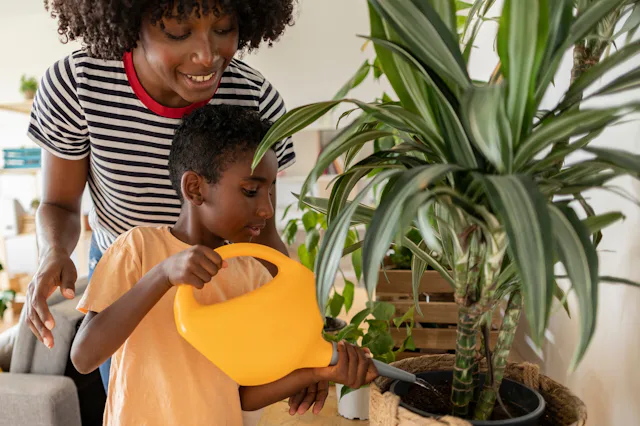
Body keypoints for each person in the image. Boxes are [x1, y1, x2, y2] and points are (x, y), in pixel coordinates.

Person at [25, 0, 326, 414]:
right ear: (129, 23)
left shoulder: (254, 98)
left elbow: (265, 230)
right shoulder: (78, 82)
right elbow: (59, 203)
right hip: (124, 281)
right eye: (178, 33)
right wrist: (53, 252)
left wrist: (298, 341)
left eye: (223, 28)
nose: (206, 55)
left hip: (221, 279)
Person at [69, 104, 378, 425]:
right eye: (250, 190)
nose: (266, 209)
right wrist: (162, 275)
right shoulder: (138, 248)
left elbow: (242, 391)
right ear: (195, 188)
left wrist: (315, 373)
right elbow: (84, 356)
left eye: (270, 191)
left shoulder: (254, 273)